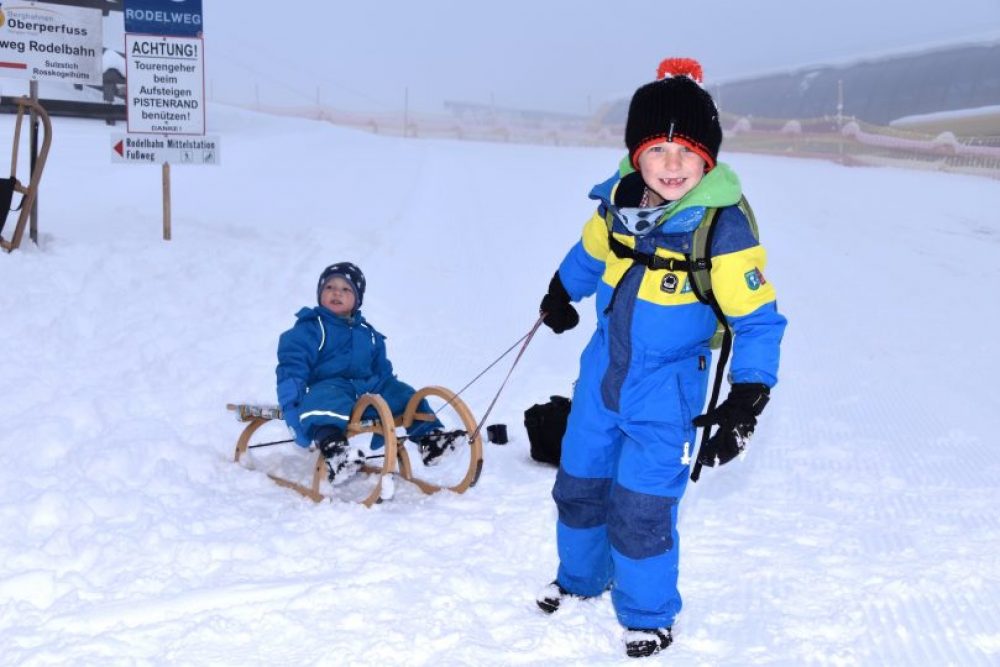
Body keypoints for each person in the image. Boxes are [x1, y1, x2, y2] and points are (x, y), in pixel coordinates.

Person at [534, 58, 786, 658]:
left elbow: (758, 320)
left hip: (667, 393)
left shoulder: (721, 229)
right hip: (601, 376)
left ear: (709, 159)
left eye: (687, 151)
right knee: (578, 485)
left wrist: (748, 396)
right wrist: (561, 291)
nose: (672, 166)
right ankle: (581, 580)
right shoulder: (617, 207)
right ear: (635, 156)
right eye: (657, 150)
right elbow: (589, 253)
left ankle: (648, 613)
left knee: (641, 509)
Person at [276, 262, 464, 482]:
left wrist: (390, 396)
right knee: (324, 399)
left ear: (357, 299)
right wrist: (291, 407)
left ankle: (430, 440)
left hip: (368, 389)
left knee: (404, 393)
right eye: (329, 287)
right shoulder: (310, 328)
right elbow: (292, 369)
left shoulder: (369, 333)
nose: (337, 292)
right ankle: (335, 450)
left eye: (346, 289)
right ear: (320, 295)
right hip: (330, 387)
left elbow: (383, 372)